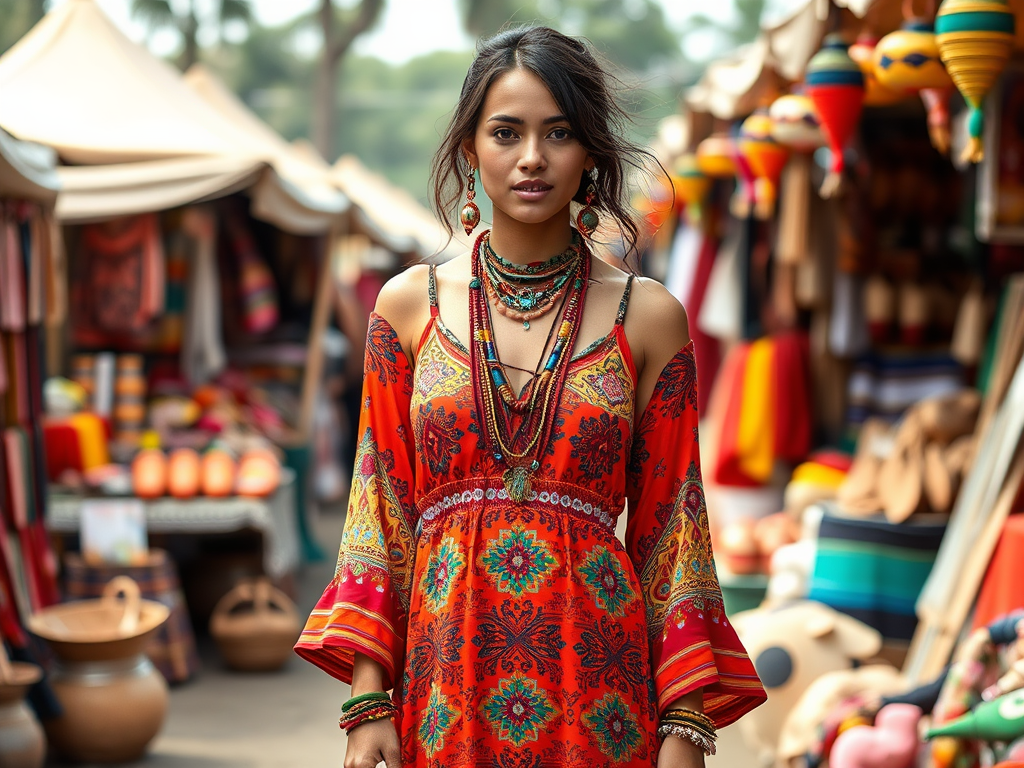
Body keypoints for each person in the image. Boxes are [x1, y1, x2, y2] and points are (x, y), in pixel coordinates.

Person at [295, 26, 766, 768]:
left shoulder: (647, 315)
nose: (533, 158)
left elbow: (675, 527)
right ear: (468, 150)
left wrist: (684, 725)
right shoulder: (406, 306)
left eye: (559, 133)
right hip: (444, 676)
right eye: (506, 133)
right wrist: (366, 701)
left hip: (601, 682)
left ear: (591, 155)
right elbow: (377, 505)